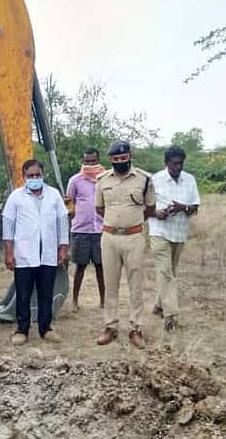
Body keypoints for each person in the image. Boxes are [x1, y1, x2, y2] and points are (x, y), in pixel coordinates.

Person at [94, 140, 155, 348]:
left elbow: (150, 208)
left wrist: (131, 222)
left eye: (123, 158)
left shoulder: (145, 179)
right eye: (116, 159)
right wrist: (116, 223)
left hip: (134, 238)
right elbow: (99, 209)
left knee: (135, 285)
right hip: (110, 238)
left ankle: (135, 328)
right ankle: (110, 327)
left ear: (130, 156)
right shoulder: (101, 180)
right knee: (110, 284)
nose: (120, 161)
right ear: (110, 160)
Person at [2, 159, 69, 345]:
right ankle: (22, 329)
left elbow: (62, 222)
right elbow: (8, 225)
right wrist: (8, 253)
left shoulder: (53, 195)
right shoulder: (16, 197)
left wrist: (63, 247)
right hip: (24, 253)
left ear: (43, 174)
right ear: (24, 176)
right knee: (23, 293)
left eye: (37, 175)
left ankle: (46, 328)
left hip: (47, 252)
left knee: (46, 292)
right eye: (30, 176)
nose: (34, 178)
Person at [148, 146, 201, 332]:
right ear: (166, 163)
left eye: (181, 163)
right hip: (159, 231)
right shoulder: (155, 180)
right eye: (175, 163)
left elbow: (195, 207)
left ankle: (159, 305)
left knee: (170, 272)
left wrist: (183, 208)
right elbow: (145, 208)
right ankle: (170, 315)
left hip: (179, 232)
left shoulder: (190, 180)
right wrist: (157, 212)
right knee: (164, 272)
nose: (178, 167)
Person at [66, 147, 105, 312]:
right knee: (80, 266)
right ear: (83, 161)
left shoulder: (105, 179)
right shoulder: (75, 180)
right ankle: (74, 300)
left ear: (98, 160)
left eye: (93, 161)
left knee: (100, 266)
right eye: (87, 161)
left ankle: (104, 300)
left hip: (101, 230)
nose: (90, 164)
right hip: (80, 230)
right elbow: (69, 203)